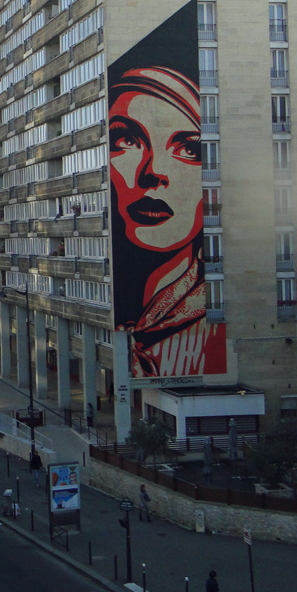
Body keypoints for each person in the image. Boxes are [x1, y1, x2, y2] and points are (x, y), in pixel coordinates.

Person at [108, 67, 226, 378]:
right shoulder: (118, 301)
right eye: (126, 140)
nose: (153, 172)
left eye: (188, 149)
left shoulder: (208, 315)